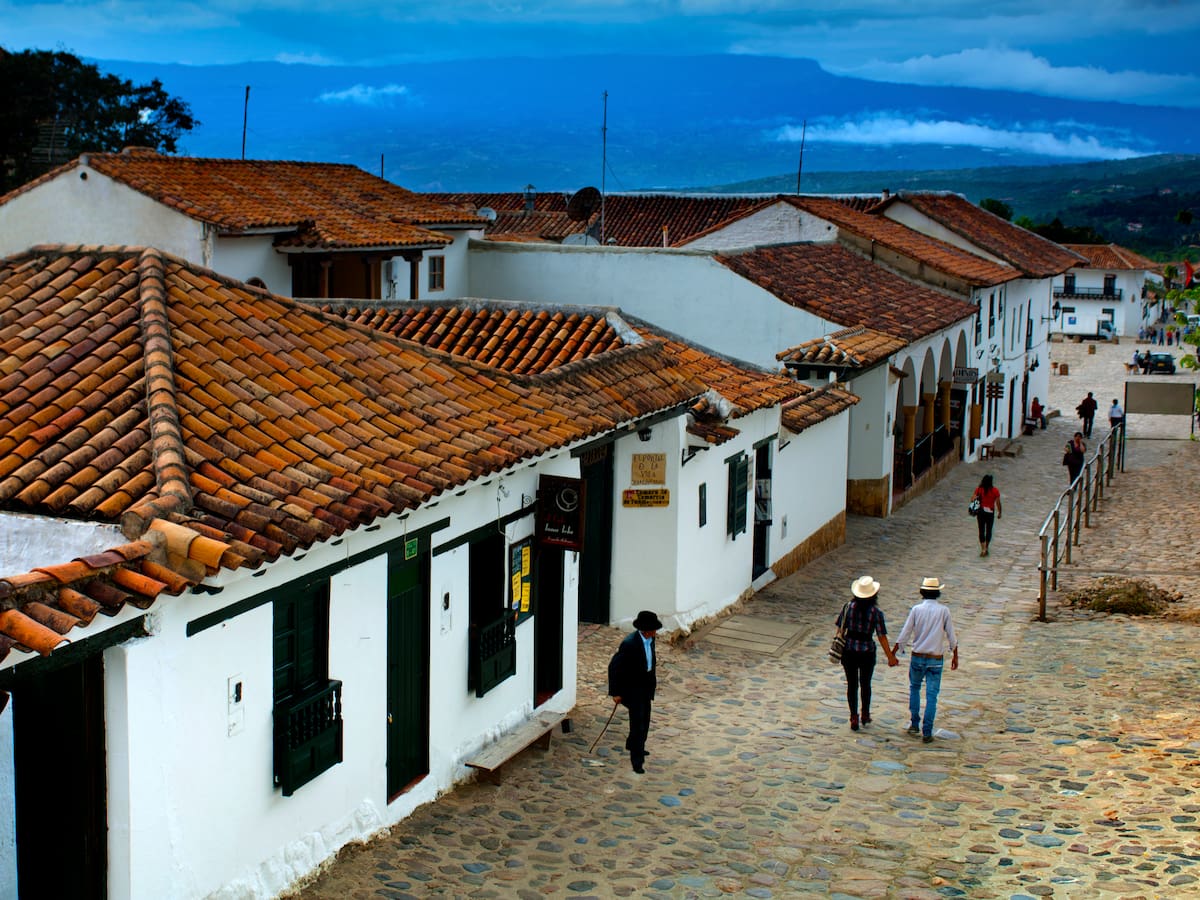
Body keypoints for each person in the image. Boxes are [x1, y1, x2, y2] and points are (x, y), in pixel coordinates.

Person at [893, 577, 959, 744]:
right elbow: (951, 635)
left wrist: (894, 652)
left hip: (918, 655)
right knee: (932, 696)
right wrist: (955, 654)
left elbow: (905, 632)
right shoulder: (944, 611)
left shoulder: (916, 610)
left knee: (914, 688)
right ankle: (927, 731)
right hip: (935, 658)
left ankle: (915, 723)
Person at [835, 576, 899, 732]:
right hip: (867, 652)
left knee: (851, 684)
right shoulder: (876, 613)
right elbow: (881, 636)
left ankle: (853, 716)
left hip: (849, 650)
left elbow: (840, 629)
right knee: (865, 683)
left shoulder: (847, 607)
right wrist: (890, 656)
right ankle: (865, 713)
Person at [607, 610, 662, 774]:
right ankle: (637, 760)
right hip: (633, 689)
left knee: (645, 719)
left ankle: (635, 745)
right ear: (646, 630)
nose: (655, 633)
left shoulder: (651, 640)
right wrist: (615, 692)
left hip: (646, 686)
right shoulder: (629, 644)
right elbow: (614, 667)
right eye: (653, 630)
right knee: (637, 724)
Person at [970, 473, 1001, 556]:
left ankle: (983, 548)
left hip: (981, 512)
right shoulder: (995, 491)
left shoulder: (979, 489)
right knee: (989, 530)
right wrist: (999, 512)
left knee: (981, 530)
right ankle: (986, 547)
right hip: (990, 512)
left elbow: (972, 499)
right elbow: (998, 503)